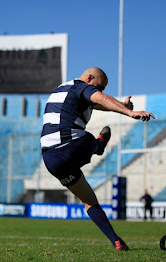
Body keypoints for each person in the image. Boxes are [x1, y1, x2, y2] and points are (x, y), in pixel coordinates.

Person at [41, 67, 155, 251]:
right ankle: (99, 145)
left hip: (50, 159)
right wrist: (130, 113)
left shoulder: (64, 89)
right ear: (89, 77)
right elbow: (100, 99)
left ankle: (117, 241)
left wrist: (121, 106)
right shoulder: (80, 87)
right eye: (99, 86)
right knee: (86, 139)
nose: (99, 91)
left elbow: (99, 103)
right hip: (71, 145)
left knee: (89, 201)